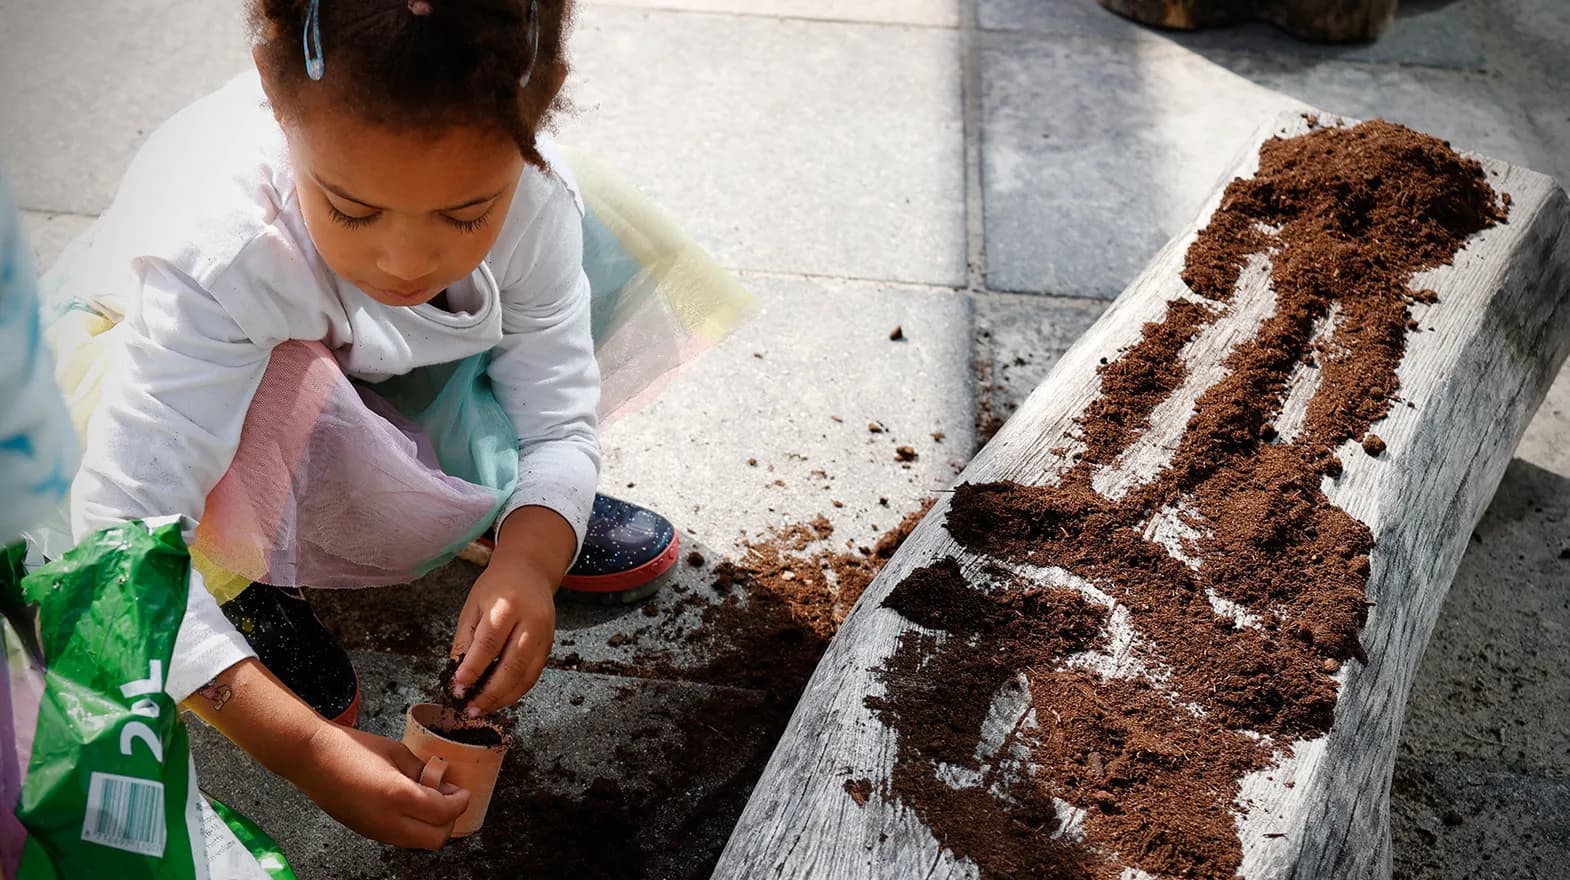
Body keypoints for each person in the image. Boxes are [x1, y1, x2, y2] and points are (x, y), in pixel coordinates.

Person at [37, 0, 749, 849]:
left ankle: (495, 506)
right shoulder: (227, 253)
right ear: (271, 85)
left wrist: (531, 553)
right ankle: (244, 579)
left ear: (543, 94)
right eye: (352, 210)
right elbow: (118, 540)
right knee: (280, 399)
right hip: (209, 379)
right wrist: (308, 752)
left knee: (565, 250)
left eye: (463, 214)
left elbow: (558, 410)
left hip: (371, 353)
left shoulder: (532, 196)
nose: (408, 262)